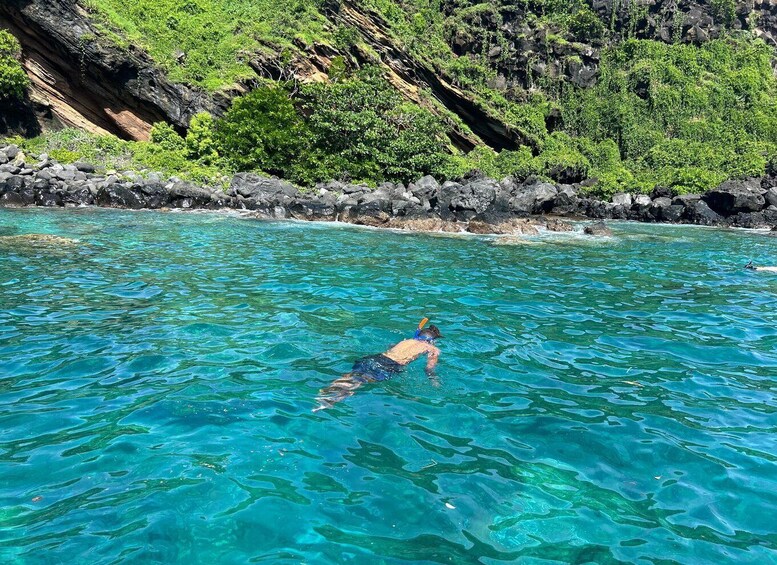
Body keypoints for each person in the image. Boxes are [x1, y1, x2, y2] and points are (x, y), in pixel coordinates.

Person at [313, 319, 443, 411]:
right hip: (390, 365)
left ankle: (326, 391)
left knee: (353, 375)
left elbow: (391, 347)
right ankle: (330, 401)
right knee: (360, 381)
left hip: (377, 357)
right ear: (432, 340)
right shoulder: (432, 349)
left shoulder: (408, 340)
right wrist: (433, 379)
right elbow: (429, 368)